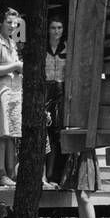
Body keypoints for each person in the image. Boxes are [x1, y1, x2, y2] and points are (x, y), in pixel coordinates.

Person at [0, 8, 23, 186]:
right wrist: (16, 65)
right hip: (2, 90)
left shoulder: (12, 42)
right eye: (8, 22)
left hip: (15, 90)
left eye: (15, 23)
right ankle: (0, 174)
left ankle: (11, 173)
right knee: (1, 134)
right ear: (1, 22)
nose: (12, 26)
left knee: (12, 135)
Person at [44, 15, 67, 186]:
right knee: (46, 135)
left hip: (61, 91)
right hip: (45, 92)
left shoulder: (67, 47)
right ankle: (45, 175)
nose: (56, 31)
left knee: (58, 134)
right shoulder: (42, 47)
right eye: (53, 28)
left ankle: (55, 175)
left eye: (59, 27)